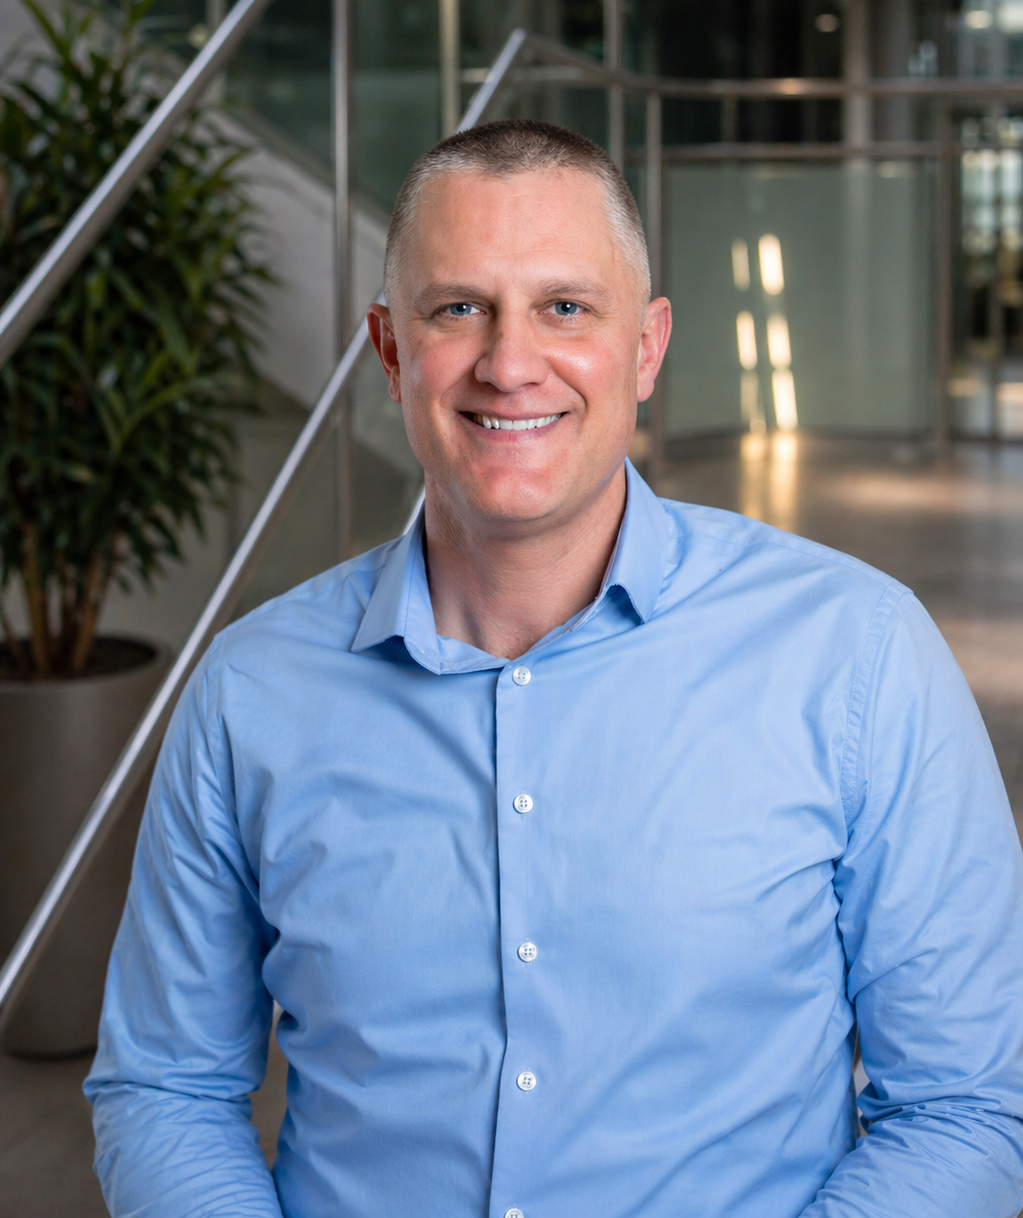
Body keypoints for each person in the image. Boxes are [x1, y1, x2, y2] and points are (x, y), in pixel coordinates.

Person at [86, 119, 1023, 1218]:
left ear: (647, 347)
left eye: (565, 307)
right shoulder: (249, 695)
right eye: (458, 308)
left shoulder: (858, 655)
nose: (510, 362)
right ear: (391, 351)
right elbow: (165, 1084)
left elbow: (968, 1105)